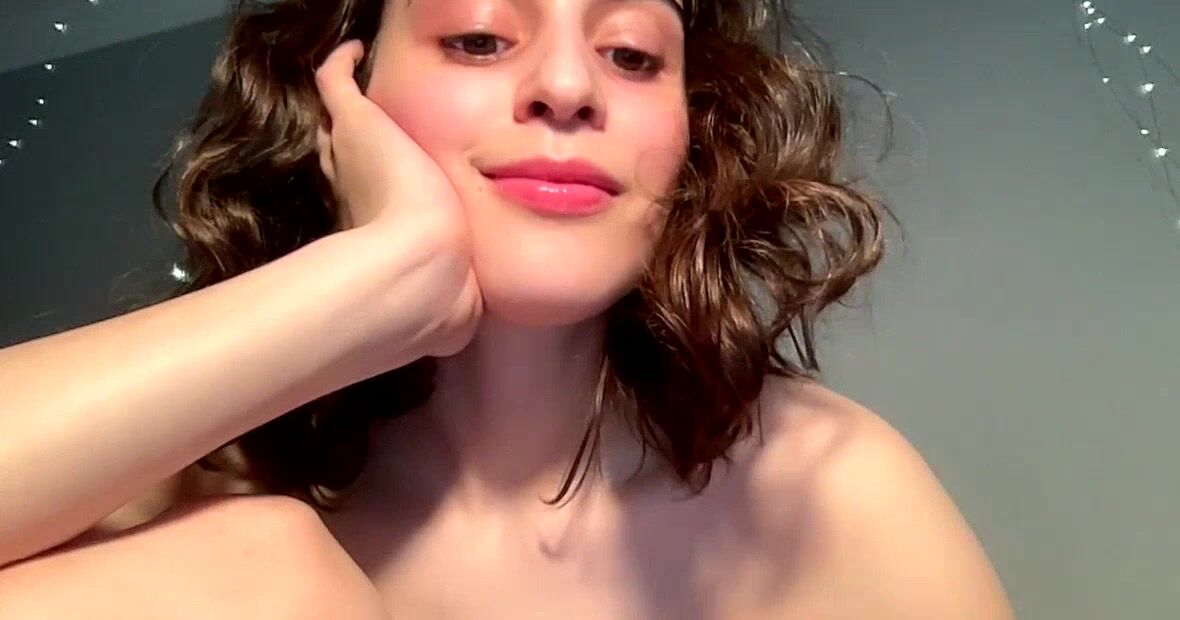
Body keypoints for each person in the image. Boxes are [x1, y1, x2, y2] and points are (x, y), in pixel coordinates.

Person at [0, 0, 1015, 617]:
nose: (569, 86)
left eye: (632, 55)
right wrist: (383, 272)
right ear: (342, 108)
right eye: (479, 38)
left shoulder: (829, 491)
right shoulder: (189, 505)